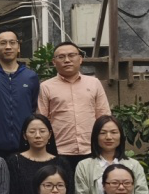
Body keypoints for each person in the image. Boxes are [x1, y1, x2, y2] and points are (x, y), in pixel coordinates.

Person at [37, 40, 111, 171]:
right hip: (59, 151)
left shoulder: (94, 83)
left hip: (91, 150)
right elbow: (42, 121)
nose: (67, 60)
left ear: (80, 59)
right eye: (61, 57)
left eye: (71, 55)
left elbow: (104, 117)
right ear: (54, 62)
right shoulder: (46, 87)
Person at [0, 29, 40, 158]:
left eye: (12, 42)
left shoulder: (30, 76)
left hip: (25, 146)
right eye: (3, 43)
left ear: (18, 47)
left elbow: (33, 107)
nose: (8, 47)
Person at [74, 116, 149, 194]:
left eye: (114, 132)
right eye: (103, 133)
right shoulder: (84, 166)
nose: (108, 137)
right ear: (95, 136)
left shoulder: (134, 165)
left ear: (121, 136)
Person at [6, 114, 70, 194]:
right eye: (32, 132)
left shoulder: (62, 162)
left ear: (49, 134)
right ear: (24, 135)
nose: (38, 135)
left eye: (42, 131)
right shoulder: (14, 161)